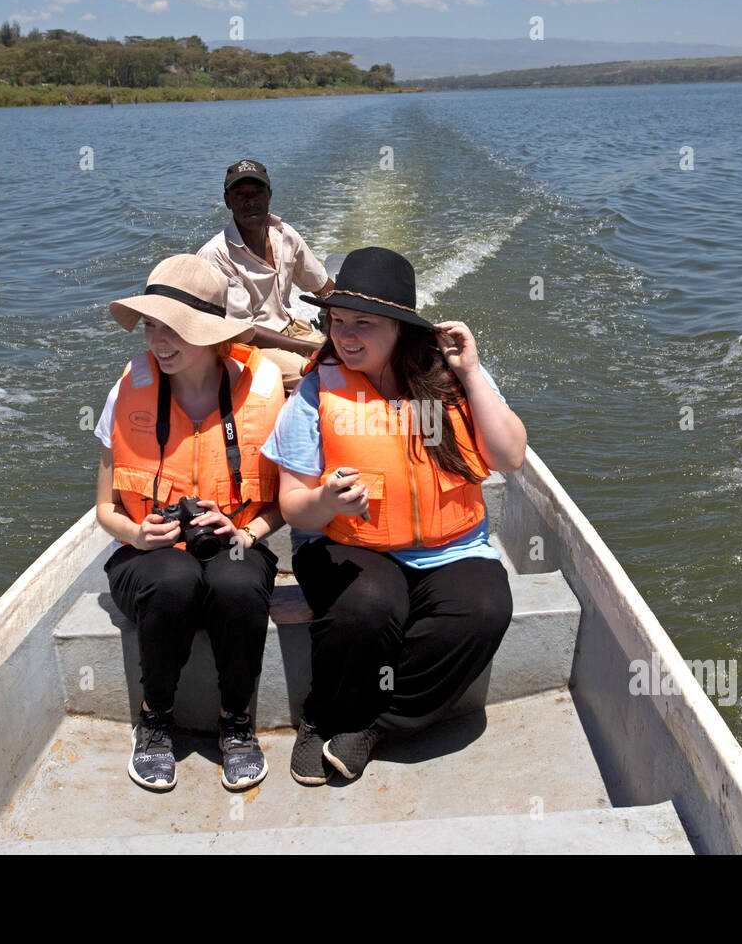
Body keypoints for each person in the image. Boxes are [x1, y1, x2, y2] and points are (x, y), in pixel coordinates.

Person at [261, 246, 528, 784]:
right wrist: (327, 502)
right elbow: (293, 504)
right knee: (370, 603)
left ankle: (372, 723)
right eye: (338, 322)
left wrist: (472, 372)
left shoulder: (450, 378)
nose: (346, 335)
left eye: (364, 323)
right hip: (347, 542)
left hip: (450, 547)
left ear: (401, 329)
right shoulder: (316, 390)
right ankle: (323, 715)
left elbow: (510, 456)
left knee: (484, 609)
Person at [93, 254, 286, 792]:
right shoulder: (127, 388)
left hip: (235, 544)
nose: (158, 340)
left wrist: (245, 532)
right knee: (175, 580)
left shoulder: (266, 393)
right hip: (147, 556)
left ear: (213, 334)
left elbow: (282, 505)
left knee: (236, 580)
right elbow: (105, 508)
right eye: (152, 325)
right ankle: (155, 720)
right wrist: (137, 534)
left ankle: (236, 724)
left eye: (174, 328)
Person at [196, 159, 335, 393]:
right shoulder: (217, 255)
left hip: (293, 331)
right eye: (240, 195)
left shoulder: (285, 234)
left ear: (269, 195)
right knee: (318, 373)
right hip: (248, 347)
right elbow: (243, 332)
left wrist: (353, 316)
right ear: (227, 201)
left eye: (257, 193)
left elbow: (323, 288)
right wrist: (306, 348)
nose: (250, 201)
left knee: (356, 357)